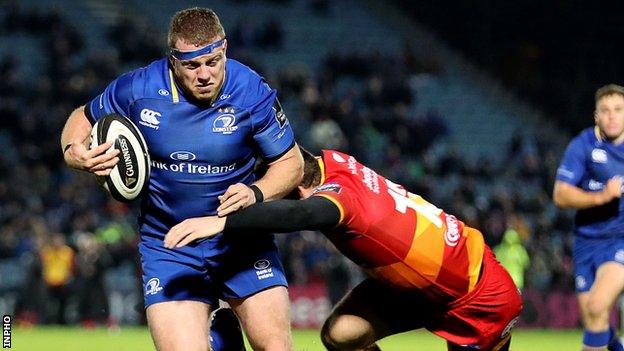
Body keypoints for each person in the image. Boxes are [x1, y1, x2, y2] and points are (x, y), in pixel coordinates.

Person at [60, 7, 303, 351]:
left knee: (275, 347)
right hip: (170, 245)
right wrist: (74, 150)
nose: (205, 74)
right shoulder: (139, 88)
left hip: (241, 239)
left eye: (213, 61)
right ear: (173, 61)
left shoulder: (250, 90)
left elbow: (291, 163)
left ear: (225, 50)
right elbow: (81, 117)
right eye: (192, 65)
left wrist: (256, 192)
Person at [164, 148, 523, 351]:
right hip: (416, 287)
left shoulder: (338, 202)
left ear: (300, 189)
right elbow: (287, 158)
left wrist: (223, 222)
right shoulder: (329, 162)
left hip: (475, 293)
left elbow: (301, 213)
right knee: (341, 335)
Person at [553, 84, 624, 351]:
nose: (612, 116)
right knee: (596, 320)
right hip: (586, 242)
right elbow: (560, 195)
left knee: (596, 305)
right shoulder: (582, 146)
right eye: (605, 111)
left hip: (620, 240)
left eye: (618, 110)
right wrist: (601, 197)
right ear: (596, 116)